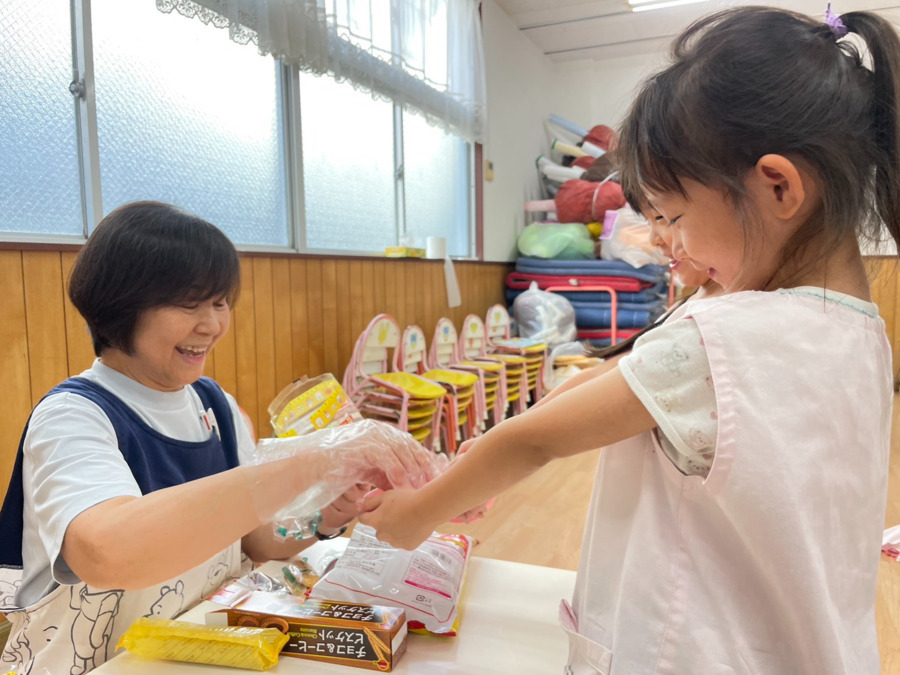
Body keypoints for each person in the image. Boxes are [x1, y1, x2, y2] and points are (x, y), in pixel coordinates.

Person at [359, 6, 899, 673]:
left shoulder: (730, 335)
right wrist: (477, 454)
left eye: (673, 216)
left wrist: (418, 511)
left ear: (779, 186)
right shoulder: (859, 333)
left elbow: (534, 439)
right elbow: (620, 384)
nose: (669, 243)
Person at [0, 201, 436, 674]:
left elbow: (260, 542)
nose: (211, 324)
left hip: (202, 656)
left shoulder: (215, 406)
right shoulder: (73, 416)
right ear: (119, 304)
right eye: (188, 303)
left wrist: (327, 514)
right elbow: (107, 553)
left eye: (219, 302)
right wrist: (316, 461)